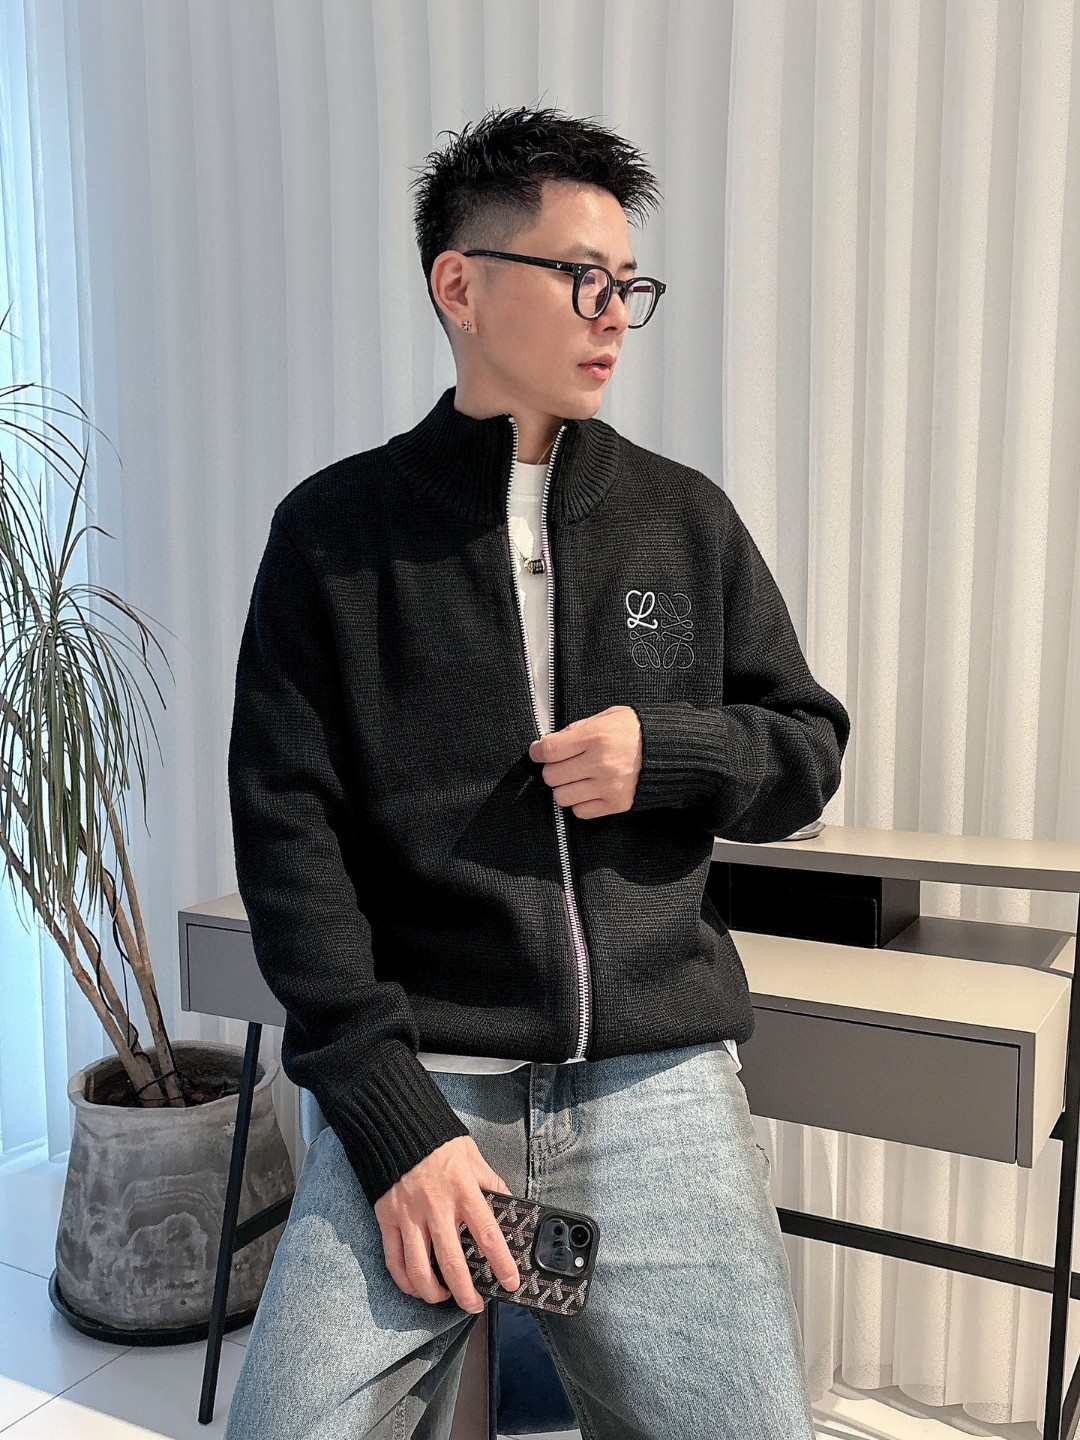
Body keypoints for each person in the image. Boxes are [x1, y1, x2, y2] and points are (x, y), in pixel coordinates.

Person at [224, 103, 850, 1440]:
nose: (613, 314)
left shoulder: (686, 518)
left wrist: (669, 754)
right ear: (460, 286)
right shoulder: (334, 536)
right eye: (580, 276)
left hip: (654, 1079)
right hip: (424, 1078)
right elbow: (288, 838)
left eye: (629, 284)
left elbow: (807, 748)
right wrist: (390, 1120)